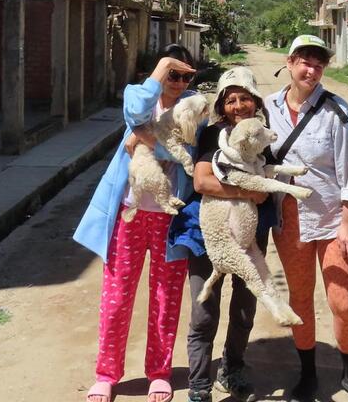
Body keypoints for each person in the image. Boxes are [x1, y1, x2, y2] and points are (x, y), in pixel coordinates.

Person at [74, 44, 199, 402]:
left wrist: (145, 137)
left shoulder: (194, 109)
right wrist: (161, 68)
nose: (177, 82)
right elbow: (134, 111)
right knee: (117, 296)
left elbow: (186, 153)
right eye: (172, 73)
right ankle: (106, 374)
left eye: (185, 76)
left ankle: (159, 372)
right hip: (129, 214)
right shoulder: (139, 96)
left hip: (170, 218)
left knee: (166, 296)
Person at [264, 35, 348, 402]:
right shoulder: (267, 108)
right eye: (305, 62)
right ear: (290, 62)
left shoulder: (337, 111)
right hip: (288, 218)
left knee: (342, 301)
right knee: (299, 298)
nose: (311, 70)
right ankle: (308, 374)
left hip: (331, 218)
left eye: (318, 64)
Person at [180, 66, 275, 402]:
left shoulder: (261, 134)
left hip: (251, 230)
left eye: (244, 98)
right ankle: (198, 383)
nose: (238, 106)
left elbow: (268, 179)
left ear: (255, 101)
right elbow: (202, 181)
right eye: (230, 100)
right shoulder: (212, 135)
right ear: (221, 105)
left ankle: (232, 368)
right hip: (209, 231)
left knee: (245, 306)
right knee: (204, 309)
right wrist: (246, 192)